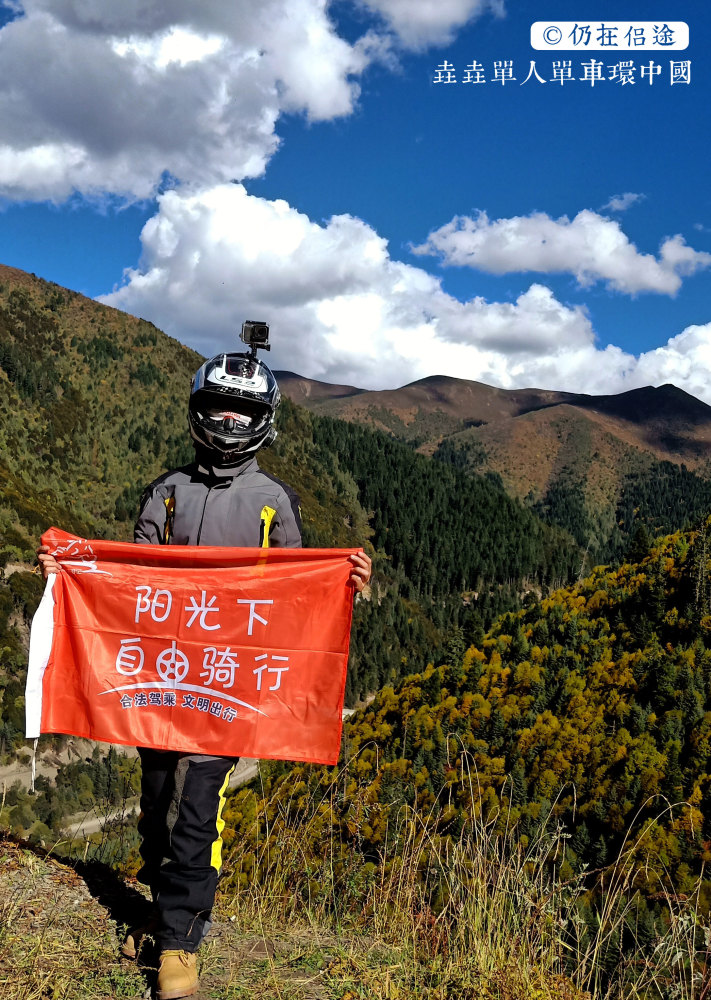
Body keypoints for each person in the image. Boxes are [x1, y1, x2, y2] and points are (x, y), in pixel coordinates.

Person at [39, 344, 372, 1000]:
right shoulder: (165, 493)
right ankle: (162, 914)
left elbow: (295, 588)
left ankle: (180, 946)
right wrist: (68, 573)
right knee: (158, 802)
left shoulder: (273, 500)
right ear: (197, 412)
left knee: (197, 809)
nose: (227, 420)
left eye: (240, 409)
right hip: (161, 679)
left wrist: (345, 587)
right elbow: (127, 579)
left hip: (227, 688)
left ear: (263, 418)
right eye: (217, 406)